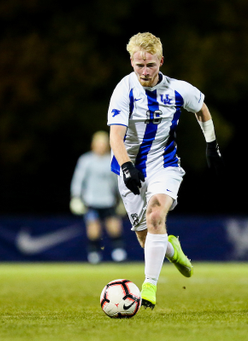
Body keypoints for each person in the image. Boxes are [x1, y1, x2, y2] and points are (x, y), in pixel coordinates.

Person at [107, 32, 224, 309]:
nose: (145, 71)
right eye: (139, 65)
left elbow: (201, 109)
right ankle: (172, 249)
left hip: (164, 164)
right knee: (146, 236)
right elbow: (115, 136)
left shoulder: (178, 89)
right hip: (129, 167)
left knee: (156, 212)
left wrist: (211, 144)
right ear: (131, 62)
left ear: (161, 61)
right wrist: (126, 166)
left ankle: (149, 287)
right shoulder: (124, 90)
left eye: (150, 65)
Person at [70, 131, 128, 264]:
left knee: (114, 227)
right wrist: (76, 197)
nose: (101, 146)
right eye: (98, 143)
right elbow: (78, 180)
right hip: (91, 201)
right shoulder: (86, 160)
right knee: (93, 229)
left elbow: (118, 181)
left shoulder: (112, 159)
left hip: (108, 200)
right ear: (93, 144)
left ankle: (118, 252)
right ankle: (94, 253)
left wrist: (122, 199)